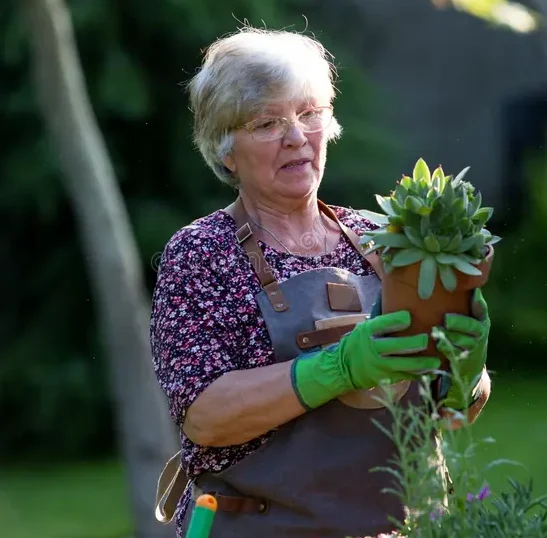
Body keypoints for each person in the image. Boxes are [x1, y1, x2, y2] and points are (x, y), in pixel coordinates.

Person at [150, 26, 492, 538]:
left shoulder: (387, 239)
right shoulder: (202, 253)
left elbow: (448, 412)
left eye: (309, 114)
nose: (296, 137)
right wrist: (340, 367)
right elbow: (204, 416)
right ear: (226, 150)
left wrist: (465, 372)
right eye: (268, 122)